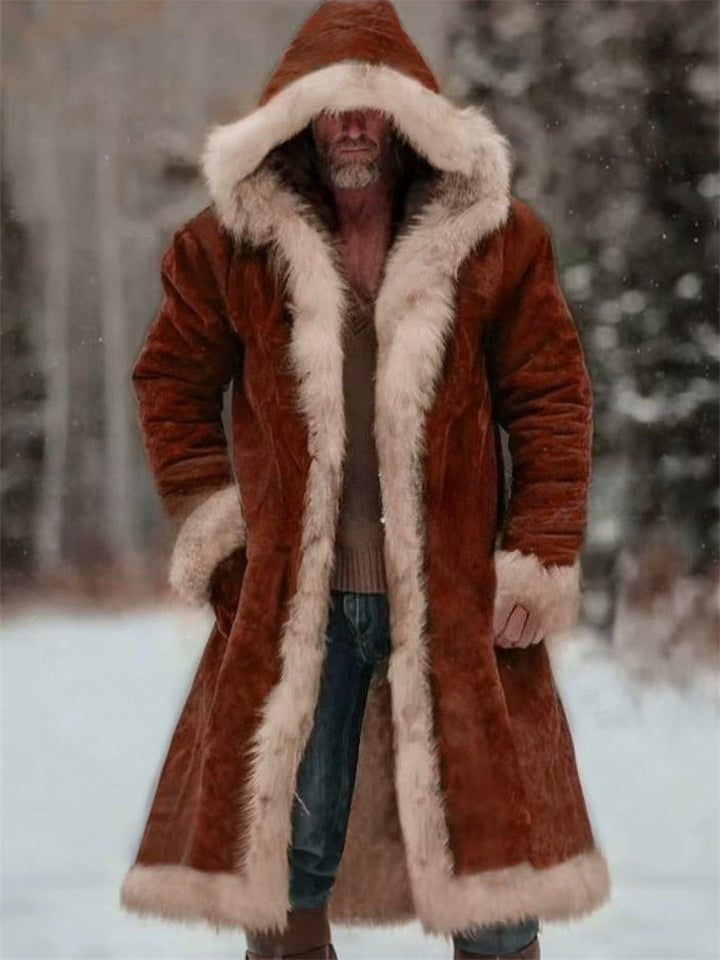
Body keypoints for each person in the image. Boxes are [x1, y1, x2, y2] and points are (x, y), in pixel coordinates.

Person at [120, 2, 611, 959]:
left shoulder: (496, 239)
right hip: (293, 598)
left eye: (370, 106)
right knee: (287, 859)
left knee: (493, 865)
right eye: (331, 107)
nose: (351, 124)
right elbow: (169, 385)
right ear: (298, 118)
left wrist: (539, 552)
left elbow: (552, 398)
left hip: (459, 598)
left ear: (407, 116)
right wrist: (220, 535)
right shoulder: (226, 246)